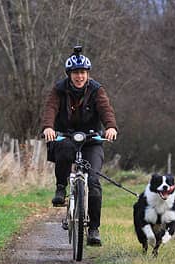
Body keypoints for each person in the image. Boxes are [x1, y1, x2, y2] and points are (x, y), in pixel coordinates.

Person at [41, 46, 118, 246]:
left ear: (87, 74)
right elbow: (51, 107)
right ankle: (61, 188)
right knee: (64, 150)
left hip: (91, 139)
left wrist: (110, 127)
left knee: (93, 182)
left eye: (83, 72)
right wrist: (48, 127)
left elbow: (106, 109)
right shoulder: (59, 89)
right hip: (66, 136)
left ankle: (93, 229)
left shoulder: (96, 90)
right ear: (69, 75)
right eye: (75, 73)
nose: (79, 76)